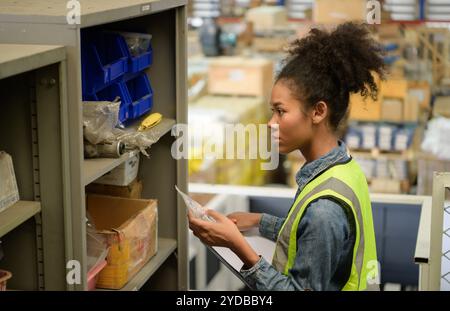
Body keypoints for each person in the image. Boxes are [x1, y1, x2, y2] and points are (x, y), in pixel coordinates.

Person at [188, 22, 385, 291]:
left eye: (281, 111)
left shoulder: (324, 210)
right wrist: (259, 222)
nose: (271, 122)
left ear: (318, 112)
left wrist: (238, 246)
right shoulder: (342, 168)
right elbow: (306, 235)